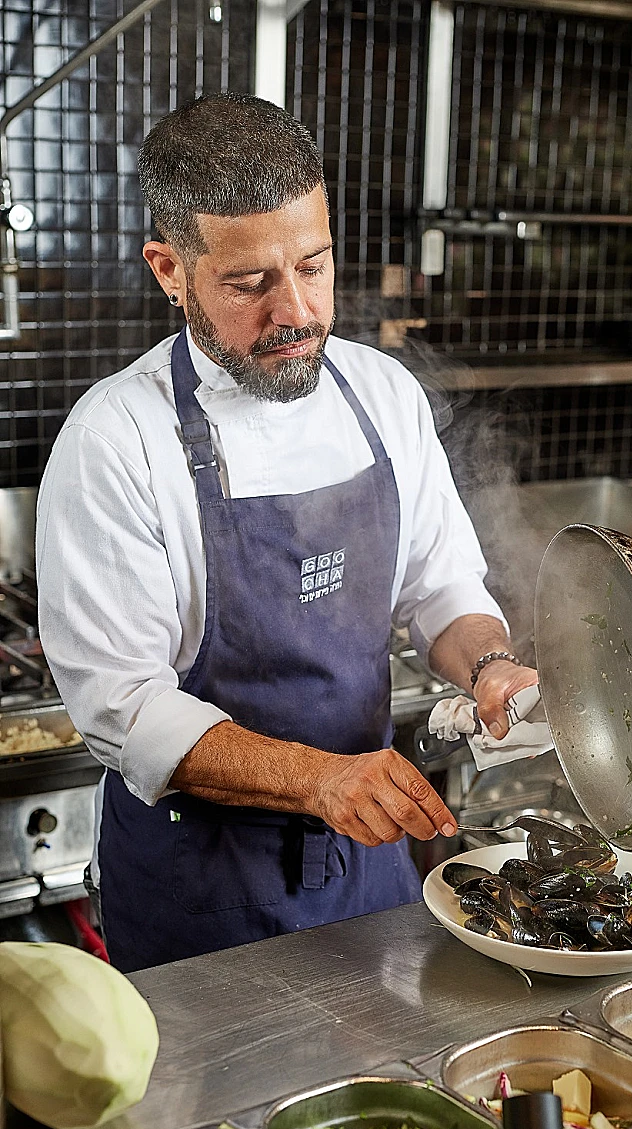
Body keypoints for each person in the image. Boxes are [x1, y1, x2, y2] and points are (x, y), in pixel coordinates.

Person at [36, 93, 537, 973]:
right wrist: (320, 780)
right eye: (251, 283)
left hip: (374, 857)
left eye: (315, 265)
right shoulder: (116, 440)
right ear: (169, 269)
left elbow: (443, 585)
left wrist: (489, 665)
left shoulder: (382, 395)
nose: (297, 311)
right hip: (202, 886)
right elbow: (123, 710)